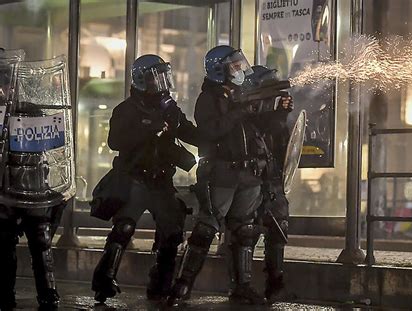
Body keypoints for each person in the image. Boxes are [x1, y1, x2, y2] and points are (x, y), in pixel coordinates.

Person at [91, 54, 199, 303]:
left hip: (161, 181)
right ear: (141, 80)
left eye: (163, 77)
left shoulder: (169, 107)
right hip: (134, 178)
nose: (161, 83)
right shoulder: (126, 109)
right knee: (124, 228)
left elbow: (190, 132)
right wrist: (150, 128)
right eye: (155, 78)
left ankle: (160, 284)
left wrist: (214, 138)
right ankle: (104, 280)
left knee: (172, 232)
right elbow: (115, 141)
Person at [168, 45, 269, 305]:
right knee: (207, 228)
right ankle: (183, 285)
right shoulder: (209, 98)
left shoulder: (243, 93)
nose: (239, 69)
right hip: (222, 172)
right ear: (218, 71)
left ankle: (242, 285)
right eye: (233, 66)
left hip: (249, 173)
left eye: (240, 64)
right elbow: (211, 130)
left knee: (244, 230)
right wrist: (240, 111)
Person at [0, 51, 73, 309]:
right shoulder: (31, 111)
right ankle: (13, 296)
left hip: (28, 189)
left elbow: (50, 152)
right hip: (13, 191)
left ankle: (46, 294)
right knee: (12, 245)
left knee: (39, 244)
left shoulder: (31, 111)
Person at [227, 65, 294, 303]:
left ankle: (276, 284)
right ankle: (241, 286)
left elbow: (281, 143)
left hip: (272, 176)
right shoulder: (243, 115)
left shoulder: (272, 114)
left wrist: (282, 116)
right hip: (250, 177)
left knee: (279, 225)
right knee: (246, 229)